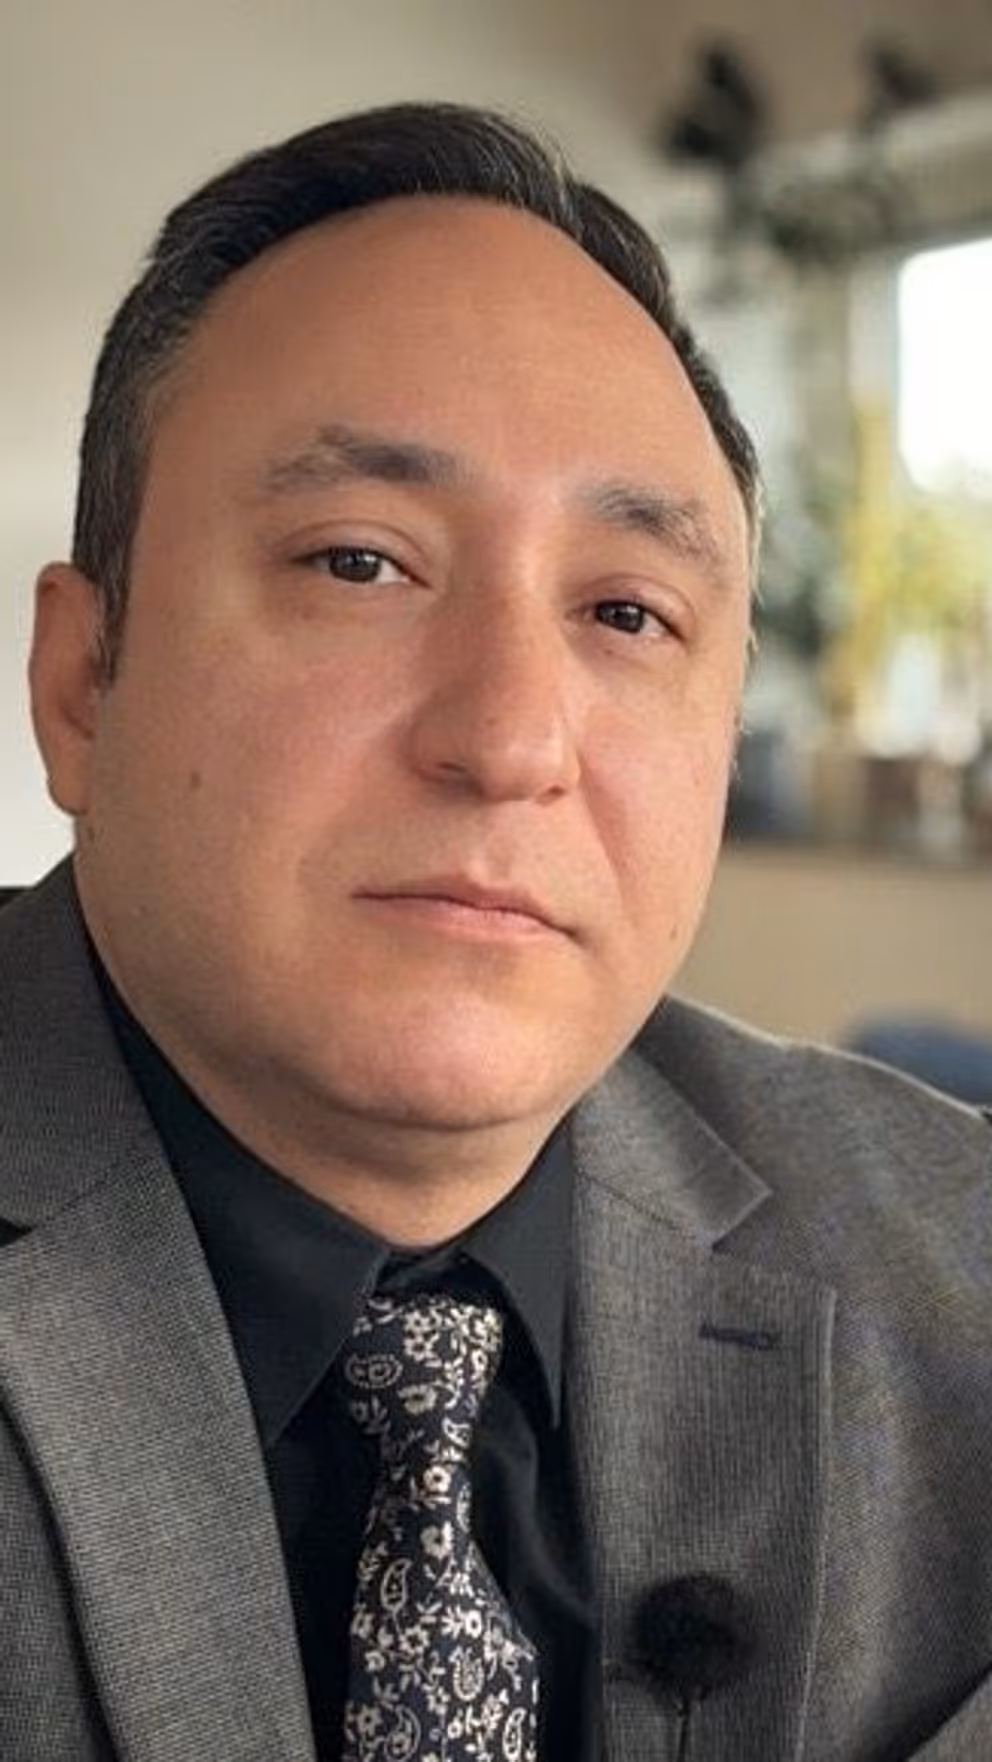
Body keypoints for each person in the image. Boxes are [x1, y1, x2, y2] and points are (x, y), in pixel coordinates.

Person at [2, 101, 989, 1762]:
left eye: (627, 611)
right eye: (361, 562)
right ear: (81, 683)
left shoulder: (958, 1269)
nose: (513, 738)